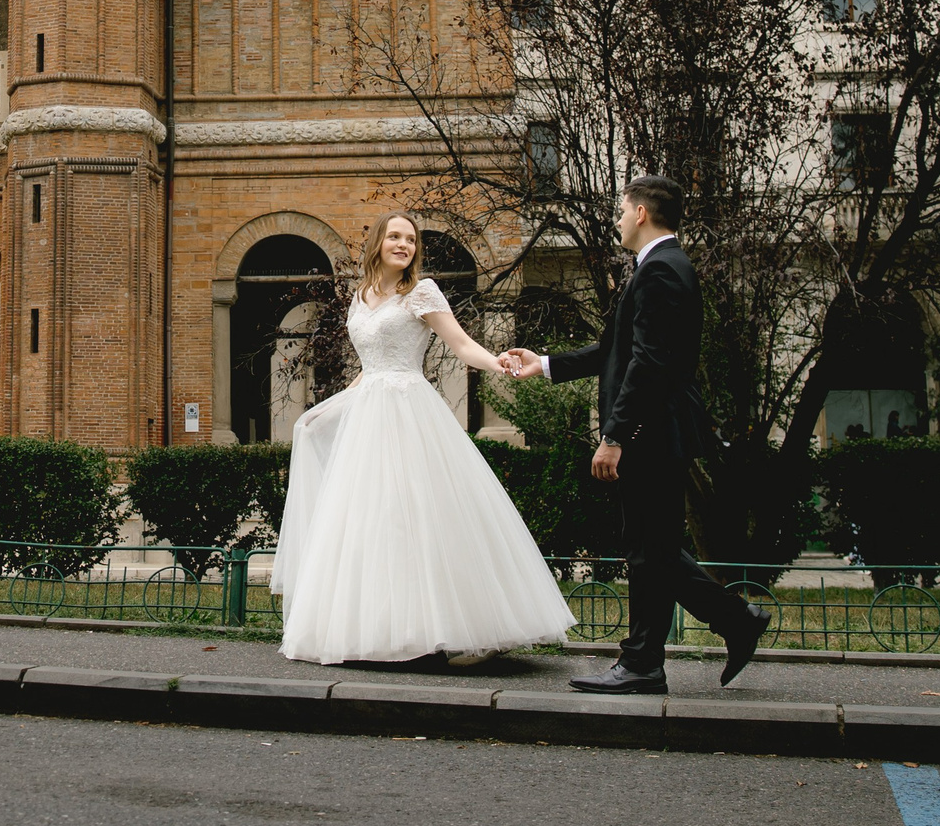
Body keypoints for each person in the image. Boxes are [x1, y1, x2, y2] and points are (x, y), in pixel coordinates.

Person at [501, 174, 772, 693]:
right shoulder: (658, 268)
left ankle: (647, 662)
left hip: (652, 431)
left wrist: (615, 434)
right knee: (654, 548)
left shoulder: (662, 271)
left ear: (642, 213)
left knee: (651, 550)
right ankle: (731, 623)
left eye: (622, 210)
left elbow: (649, 364)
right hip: (655, 430)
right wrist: (545, 364)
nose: (618, 219)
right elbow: (616, 352)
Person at [270, 212, 575, 665]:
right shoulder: (360, 296)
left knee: (424, 514)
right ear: (377, 242)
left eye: (410, 239)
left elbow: (461, 344)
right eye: (394, 236)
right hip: (369, 412)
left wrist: (501, 364)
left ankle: (465, 629)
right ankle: (383, 630)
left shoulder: (422, 291)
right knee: (374, 521)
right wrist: (323, 411)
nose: (403, 245)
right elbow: (366, 369)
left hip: (410, 409)